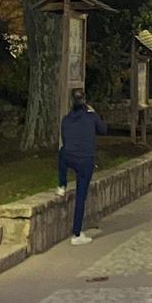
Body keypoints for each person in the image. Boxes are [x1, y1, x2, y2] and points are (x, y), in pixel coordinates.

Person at [57, 87, 108, 244]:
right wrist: (94, 113)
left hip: (69, 157)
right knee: (81, 196)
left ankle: (62, 185)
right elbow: (104, 130)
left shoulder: (65, 120)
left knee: (62, 153)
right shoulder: (91, 117)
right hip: (85, 161)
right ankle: (77, 234)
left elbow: (65, 140)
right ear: (85, 101)